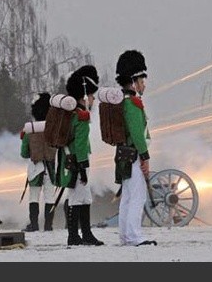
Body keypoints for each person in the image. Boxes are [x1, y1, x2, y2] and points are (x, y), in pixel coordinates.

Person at [55, 65, 104, 246]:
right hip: (78, 162)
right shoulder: (82, 116)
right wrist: (83, 167)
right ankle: (78, 235)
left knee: (80, 197)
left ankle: (80, 234)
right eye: (91, 96)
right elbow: (81, 145)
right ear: (84, 96)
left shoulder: (70, 114)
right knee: (79, 198)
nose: (92, 99)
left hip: (70, 161)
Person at [114, 50, 157, 247]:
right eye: (142, 79)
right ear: (134, 80)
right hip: (133, 155)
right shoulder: (132, 103)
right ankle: (134, 236)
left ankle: (125, 235)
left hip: (125, 155)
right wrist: (145, 156)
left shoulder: (124, 101)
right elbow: (137, 133)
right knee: (137, 197)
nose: (144, 83)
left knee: (128, 197)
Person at [20, 92, 57, 232]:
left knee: (33, 197)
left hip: (35, 167)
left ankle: (34, 225)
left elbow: (23, 153)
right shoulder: (53, 129)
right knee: (49, 197)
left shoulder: (30, 130)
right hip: (51, 167)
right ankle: (48, 226)